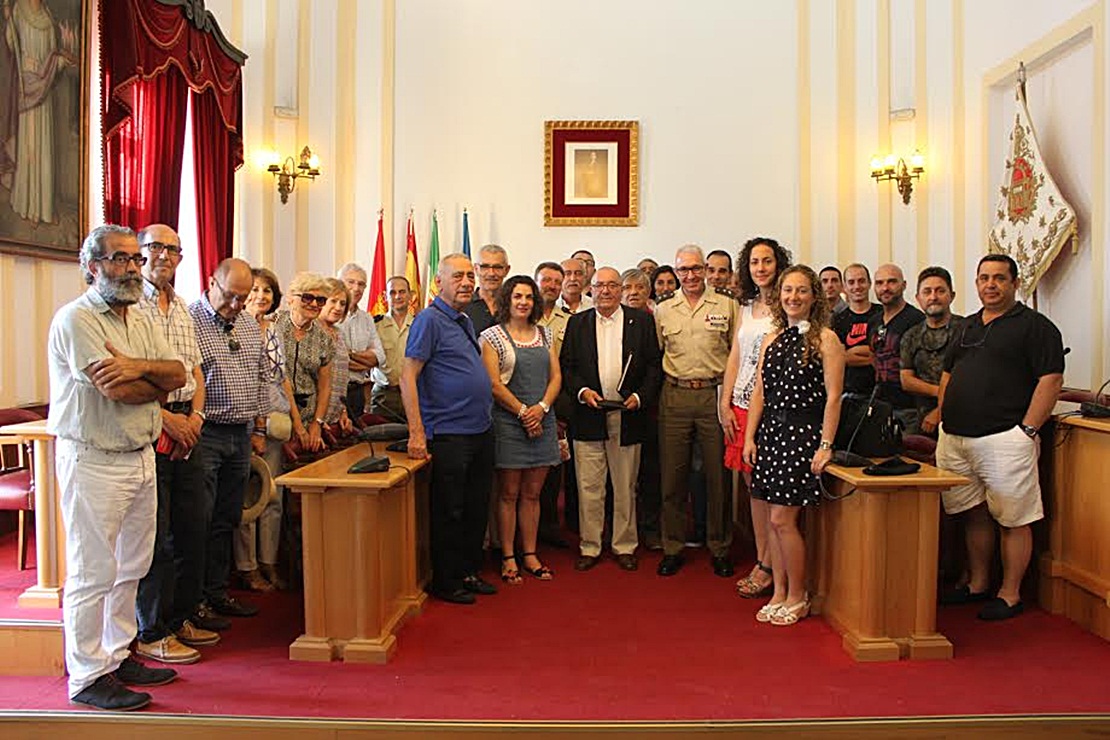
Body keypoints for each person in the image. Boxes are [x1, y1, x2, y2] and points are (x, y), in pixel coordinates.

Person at [48, 224, 186, 710]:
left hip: (140, 456)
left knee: (131, 566)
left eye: (134, 259)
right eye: (121, 259)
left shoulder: (139, 317)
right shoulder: (76, 320)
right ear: (92, 267)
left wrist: (138, 367)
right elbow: (120, 391)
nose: (133, 268)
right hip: (95, 460)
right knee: (93, 570)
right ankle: (87, 676)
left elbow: (180, 374)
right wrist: (144, 374)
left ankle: (117, 652)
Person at [936, 254, 1064, 621]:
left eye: (998, 279)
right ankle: (977, 584)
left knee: (1013, 519)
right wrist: (945, 417)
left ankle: (1010, 594)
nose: (990, 285)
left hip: (1006, 438)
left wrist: (1027, 431)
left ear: (1014, 283)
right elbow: (948, 374)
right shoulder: (966, 326)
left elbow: (1050, 380)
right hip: (957, 438)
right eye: (983, 278)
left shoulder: (1036, 327)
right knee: (973, 514)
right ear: (975, 284)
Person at [132, 224, 217, 666]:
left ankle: (181, 616)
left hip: (189, 425)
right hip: (153, 425)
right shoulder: (130, 308)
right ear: (139, 252)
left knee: (192, 528)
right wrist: (169, 421)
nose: (166, 256)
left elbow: (197, 371)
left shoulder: (182, 307)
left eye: (175, 250)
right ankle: (151, 629)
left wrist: (196, 419)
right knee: (156, 536)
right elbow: (133, 378)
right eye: (157, 247)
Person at [743, 265, 844, 626]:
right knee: (773, 522)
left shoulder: (826, 340)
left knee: (783, 520)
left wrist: (826, 444)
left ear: (814, 296)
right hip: (770, 435)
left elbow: (834, 398)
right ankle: (779, 592)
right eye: (787, 290)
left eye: (801, 290)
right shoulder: (772, 339)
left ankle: (799, 595)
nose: (793, 297)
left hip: (802, 437)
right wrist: (750, 436)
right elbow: (759, 392)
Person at [402, 253, 498, 605]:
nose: (467, 282)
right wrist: (416, 432)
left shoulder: (464, 320)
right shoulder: (428, 320)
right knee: (450, 509)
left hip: (480, 430)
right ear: (438, 281)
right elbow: (408, 376)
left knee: (476, 507)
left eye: (470, 276)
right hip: (448, 432)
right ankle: (447, 579)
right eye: (458, 276)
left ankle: (469, 571)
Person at [562, 267, 662, 572]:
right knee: (589, 486)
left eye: (612, 285)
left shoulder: (642, 321)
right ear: (590, 290)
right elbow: (567, 366)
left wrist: (641, 397)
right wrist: (581, 391)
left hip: (627, 416)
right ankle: (590, 546)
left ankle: (624, 545)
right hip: (588, 415)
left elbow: (654, 366)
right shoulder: (577, 323)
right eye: (599, 286)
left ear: (621, 289)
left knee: (625, 484)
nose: (605, 291)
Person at [190, 258, 272, 623]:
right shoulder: (190, 320)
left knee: (227, 517)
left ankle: (217, 591)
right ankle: (194, 603)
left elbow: (261, 377)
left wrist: (259, 429)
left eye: (244, 297)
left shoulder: (248, 324)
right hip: (207, 434)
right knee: (200, 519)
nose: (237, 305)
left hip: (240, 435)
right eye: (231, 296)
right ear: (212, 282)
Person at [654, 245, 739, 577]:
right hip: (674, 395)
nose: (689, 276)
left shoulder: (728, 306)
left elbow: (736, 355)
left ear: (705, 269)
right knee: (672, 476)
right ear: (675, 273)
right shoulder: (663, 309)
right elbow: (656, 354)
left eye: (695, 269)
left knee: (718, 477)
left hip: (714, 397)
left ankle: (719, 547)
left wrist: (728, 400)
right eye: (682, 270)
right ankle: (672, 546)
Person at [721, 237, 791, 599]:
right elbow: (736, 355)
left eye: (766, 261)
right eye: (753, 263)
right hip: (741, 403)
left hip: (774, 407)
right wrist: (725, 401)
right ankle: (764, 558)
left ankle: (771, 564)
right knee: (753, 486)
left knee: (770, 486)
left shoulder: (789, 303)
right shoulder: (746, 307)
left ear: (778, 264)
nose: (760, 268)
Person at [480, 275, 562, 583]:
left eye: (528, 297)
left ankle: (530, 553)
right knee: (509, 494)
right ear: (507, 300)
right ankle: (508, 556)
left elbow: (556, 378)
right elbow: (492, 384)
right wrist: (524, 412)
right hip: (509, 423)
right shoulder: (492, 337)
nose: (523, 302)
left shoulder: (546, 334)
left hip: (543, 419)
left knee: (532, 494)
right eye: (517, 296)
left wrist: (541, 409)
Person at [233, 267, 293, 593]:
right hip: (243, 421)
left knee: (273, 495)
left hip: (275, 421)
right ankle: (247, 566)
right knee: (247, 497)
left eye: (267, 291)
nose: (260, 296)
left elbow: (282, 377)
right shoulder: (233, 327)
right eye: (254, 290)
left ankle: (269, 562)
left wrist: (295, 420)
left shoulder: (274, 329)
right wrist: (255, 425)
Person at [620, 267, 661, 548]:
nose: (633, 293)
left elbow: (655, 366)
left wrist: (642, 396)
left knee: (650, 472)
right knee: (620, 476)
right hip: (616, 409)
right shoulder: (610, 321)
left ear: (649, 292)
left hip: (651, 406)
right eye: (628, 288)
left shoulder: (657, 319)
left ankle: (649, 527)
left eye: (639, 288)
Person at [534, 261, 572, 547]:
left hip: (559, 401)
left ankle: (549, 526)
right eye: (545, 280)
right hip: (525, 401)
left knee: (555, 468)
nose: (551, 286)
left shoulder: (570, 320)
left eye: (556, 282)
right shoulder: (522, 318)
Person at [273, 273, 334, 455]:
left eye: (321, 300)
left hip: (309, 414)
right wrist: (296, 425)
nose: (314, 304)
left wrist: (317, 423)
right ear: (291, 298)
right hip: (277, 414)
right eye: (307, 297)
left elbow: (325, 386)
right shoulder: (273, 325)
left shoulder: (325, 338)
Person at [900, 266, 962, 436]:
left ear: (952, 296)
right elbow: (906, 380)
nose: (933, 297)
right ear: (918, 298)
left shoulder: (967, 330)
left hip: (963, 417)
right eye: (927, 292)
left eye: (940, 291)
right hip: (922, 420)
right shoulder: (910, 335)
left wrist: (940, 410)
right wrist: (940, 392)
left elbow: (969, 381)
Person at [869, 263, 925, 433]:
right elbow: (873, 356)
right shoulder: (874, 321)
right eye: (879, 283)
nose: (885, 288)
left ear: (904, 285)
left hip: (910, 409)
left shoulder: (916, 320)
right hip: (880, 405)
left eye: (891, 282)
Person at [337, 263, 384, 420]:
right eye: (351, 282)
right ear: (339, 283)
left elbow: (379, 357)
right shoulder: (329, 315)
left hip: (357, 393)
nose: (356, 288)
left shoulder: (367, 318)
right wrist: (364, 361)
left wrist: (350, 354)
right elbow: (334, 360)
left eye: (361, 284)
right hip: (334, 392)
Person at [831, 263, 881, 397]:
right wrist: (872, 358)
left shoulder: (883, 314)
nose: (857, 287)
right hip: (848, 394)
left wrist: (851, 353)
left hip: (881, 394)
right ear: (844, 287)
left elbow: (888, 354)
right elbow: (838, 358)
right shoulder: (836, 321)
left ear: (870, 283)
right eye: (851, 282)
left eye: (861, 281)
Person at [370, 276, 413, 422]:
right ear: (385, 296)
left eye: (402, 292)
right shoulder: (374, 326)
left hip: (413, 394)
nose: (397, 296)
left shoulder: (420, 325)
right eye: (392, 293)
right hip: (383, 397)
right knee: (381, 443)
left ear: (410, 295)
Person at [318, 277, 356, 435]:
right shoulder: (312, 331)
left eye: (342, 303)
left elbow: (342, 377)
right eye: (333, 301)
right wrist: (317, 421)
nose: (338, 307)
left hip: (334, 417)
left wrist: (343, 411)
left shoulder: (340, 333)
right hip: (313, 420)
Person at [464, 244, 510, 335]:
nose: (491, 273)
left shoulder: (515, 305)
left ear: (507, 270)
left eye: (497, 267)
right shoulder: (463, 306)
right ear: (476, 269)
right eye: (485, 267)